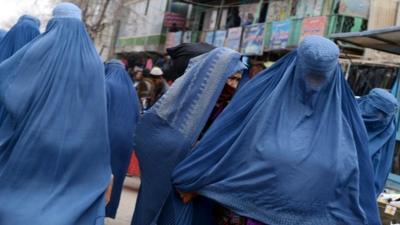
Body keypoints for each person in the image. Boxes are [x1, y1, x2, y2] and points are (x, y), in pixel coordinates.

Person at [172, 36, 381, 225]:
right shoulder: (260, 97)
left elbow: (356, 182)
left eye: (320, 78)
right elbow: (224, 138)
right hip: (246, 215)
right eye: (308, 75)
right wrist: (193, 176)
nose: (313, 86)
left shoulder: (346, 120)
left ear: (333, 74)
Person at [0, 3, 112, 225]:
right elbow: (100, 113)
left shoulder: (38, 51)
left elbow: (7, 82)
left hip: (35, 142)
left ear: (53, 22)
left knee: (21, 199)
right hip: (81, 149)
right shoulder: (95, 62)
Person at [131, 47, 246, 225]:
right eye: (230, 78)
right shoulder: (183, 102)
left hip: (203, 192)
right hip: (169, 186)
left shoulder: (231, 112)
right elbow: (149, 134)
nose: (233, 85)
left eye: (238, 80)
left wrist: (195, 183)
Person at [104, 59, 141, 218]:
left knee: (101, 175)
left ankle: (97, 209)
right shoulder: (132, 91)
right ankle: (109, 210)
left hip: (106, 138)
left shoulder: (105, 84)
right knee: (117, 177)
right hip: (125, 143)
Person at [358, 88, 399, 196]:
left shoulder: (388, 129)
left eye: (384, 114)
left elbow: (380, 169)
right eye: (376, 111)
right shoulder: (347, 113)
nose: (379, 117)